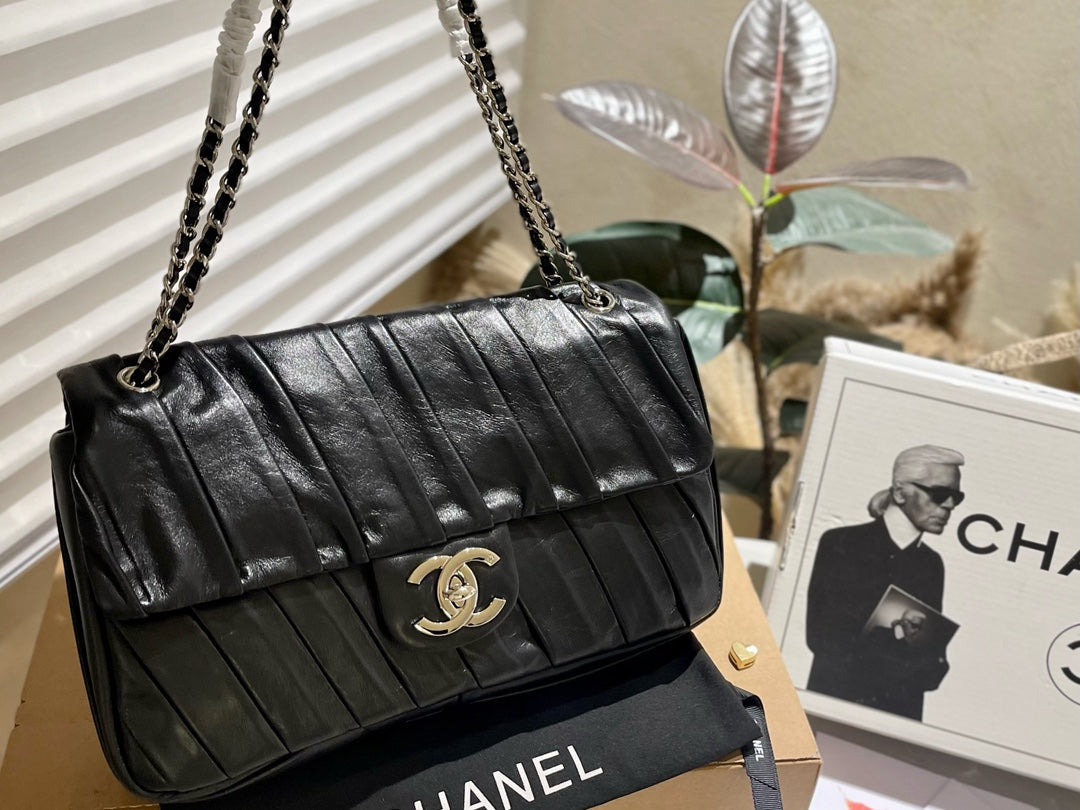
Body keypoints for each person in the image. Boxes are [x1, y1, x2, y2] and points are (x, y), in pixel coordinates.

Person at [805, 445, 964, 721]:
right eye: (939, 494)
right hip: (833, 712)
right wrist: (908, 655)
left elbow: (933, 662)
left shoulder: (931, 564)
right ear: (900, 492)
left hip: (898, 720)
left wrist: (927, 662)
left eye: (956, 497)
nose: (949, 505)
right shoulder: (841, 544)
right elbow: (824, 640)